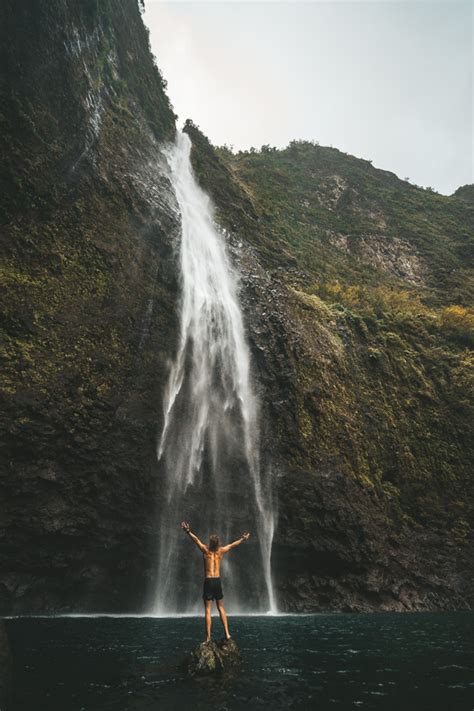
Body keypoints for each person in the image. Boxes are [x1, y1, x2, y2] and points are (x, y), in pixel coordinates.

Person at [180, 521, 251, 643]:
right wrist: (243, 539)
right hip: (217, 581)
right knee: (221, 608)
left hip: (208, 581)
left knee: (208, 610)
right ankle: (227, 634)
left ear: (210, 543)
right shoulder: (221, 551)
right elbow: (232, 545)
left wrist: (187, 531)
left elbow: (196, 540)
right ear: (218, 543)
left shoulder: (205, 550)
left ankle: (208, 638)